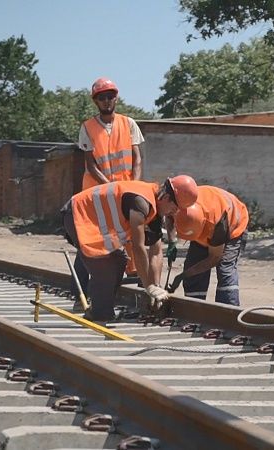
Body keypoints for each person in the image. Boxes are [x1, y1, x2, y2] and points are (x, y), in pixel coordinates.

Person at [61, 175, 198, 322]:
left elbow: (156, 252)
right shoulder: (140, 203)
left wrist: (156, 286)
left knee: (119, 260)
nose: (174, 213)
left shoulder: (155, 209)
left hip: (95, 224)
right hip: (79, 215)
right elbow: (138, 248)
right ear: (166, 198)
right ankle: (100, 314)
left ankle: (100, 309)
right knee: (104, 266)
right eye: (174, 208)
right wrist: (148, 287)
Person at [77, 77, 147, 280]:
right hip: (96, 193)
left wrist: (135, 186)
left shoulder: (129, 124)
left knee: (130, 231)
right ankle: (83, 288)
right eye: (102, 97)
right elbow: (91, 165)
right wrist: (111, 188)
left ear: (116, 98)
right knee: (92, 238)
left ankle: (133, 276)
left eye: (110, 96)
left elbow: (137, 159)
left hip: (125, 189)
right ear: (95, 101)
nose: (106, 100)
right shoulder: (87, 127)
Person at [168, 186, 249, 306]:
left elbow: (213, 259)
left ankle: (228, 311)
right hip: (208, 219)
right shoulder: (180, 205)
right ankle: (195, 309)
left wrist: (182, 276)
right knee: (193, 264)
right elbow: (168, 216)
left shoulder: (218, 225)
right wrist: (171, 242)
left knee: (225, 269)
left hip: (234, 227)